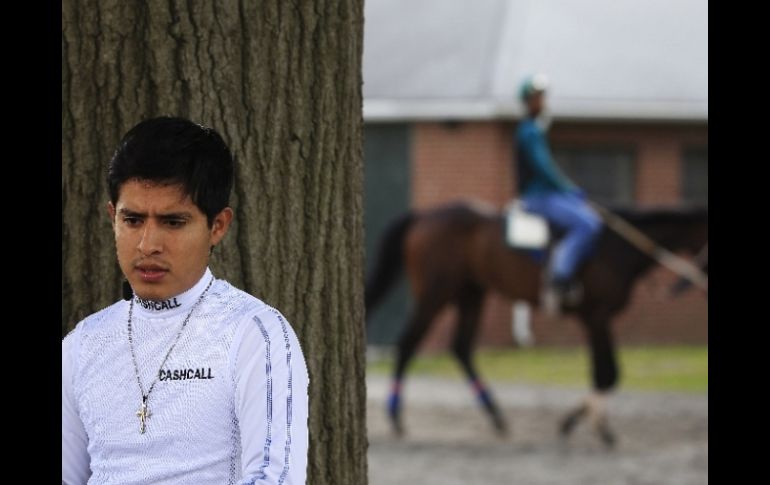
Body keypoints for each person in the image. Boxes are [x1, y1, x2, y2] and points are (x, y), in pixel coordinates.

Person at [62, 117, 309, 484]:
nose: (147, 245)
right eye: (133, 220)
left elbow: (276, 478)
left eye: (173, 222)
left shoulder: (255, 334)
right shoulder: (82, 344)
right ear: (113, 217)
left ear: (217, 226)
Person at [514, 74, 602, 314]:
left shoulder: (534, 129)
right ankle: (560, 276)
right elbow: (543, 167)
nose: (542, 101)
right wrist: (568, 189)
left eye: (543, 96)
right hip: (538, 197)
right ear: (528, 101)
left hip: (547, 195)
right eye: (537, 97)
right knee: (588, 224)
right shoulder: (530, 131)